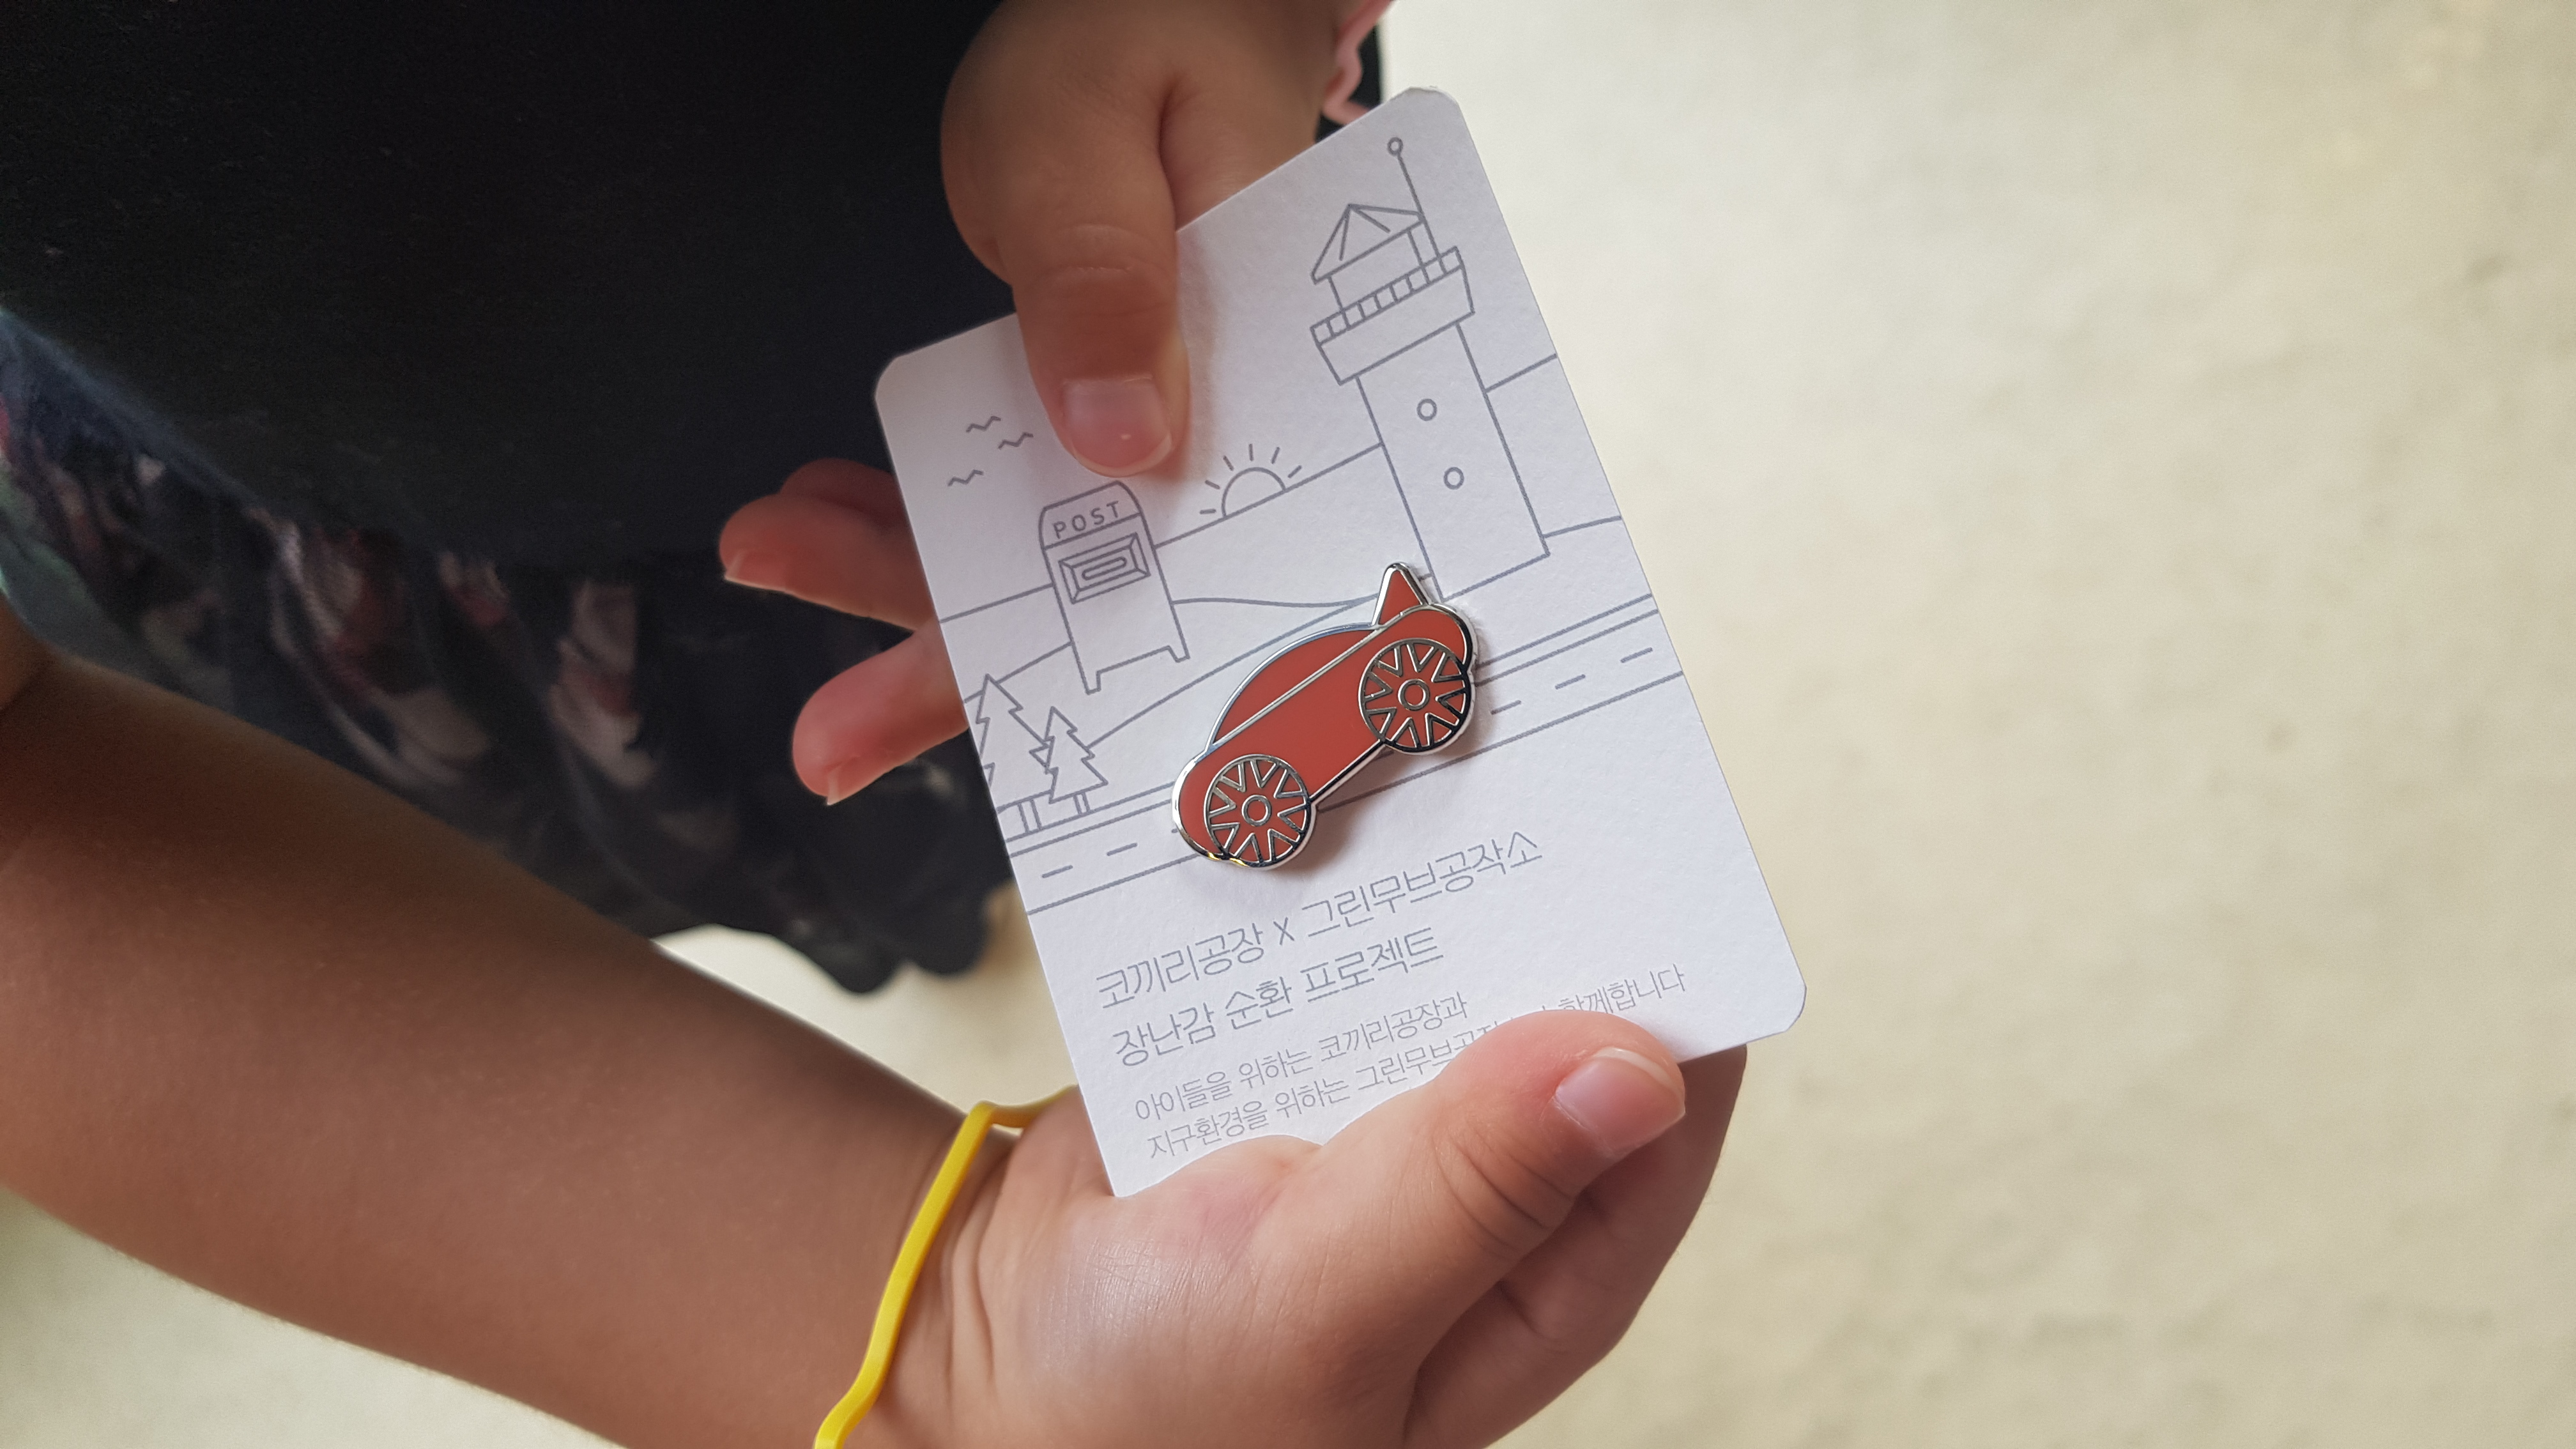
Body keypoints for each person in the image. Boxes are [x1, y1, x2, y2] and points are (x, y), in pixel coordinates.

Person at [0, 2, 1749, 1445]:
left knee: (1015, 792)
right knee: (872, 809)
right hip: (371, 552)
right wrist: (950, 1350)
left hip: (1154, 246)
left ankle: (979, 891)